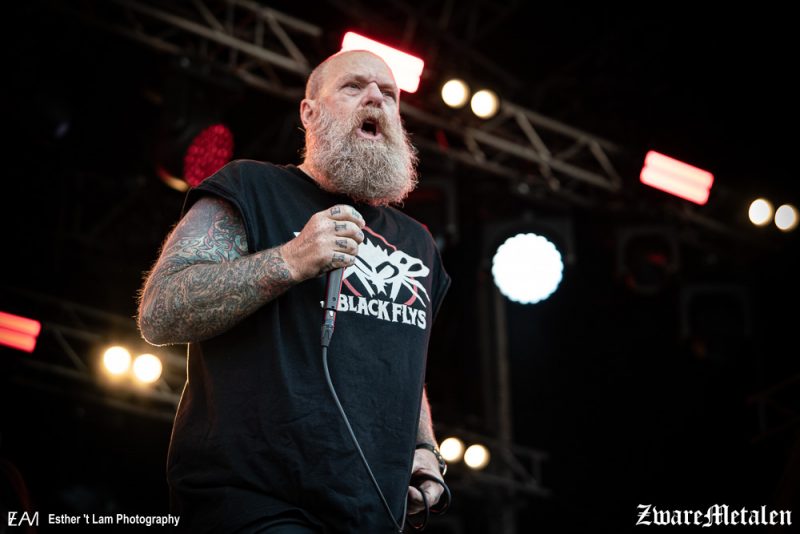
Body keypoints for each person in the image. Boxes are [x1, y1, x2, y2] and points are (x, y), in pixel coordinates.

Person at [137, 50, 451, 533]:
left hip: (373, 512)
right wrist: (290, 260)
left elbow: (405, 364)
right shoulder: (252, 186)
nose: (375, 97)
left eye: (389, 94)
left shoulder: (418, 242)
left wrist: (424, 449)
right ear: (309, 112)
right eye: (353, 86)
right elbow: (160, 312)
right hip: (254, 499)